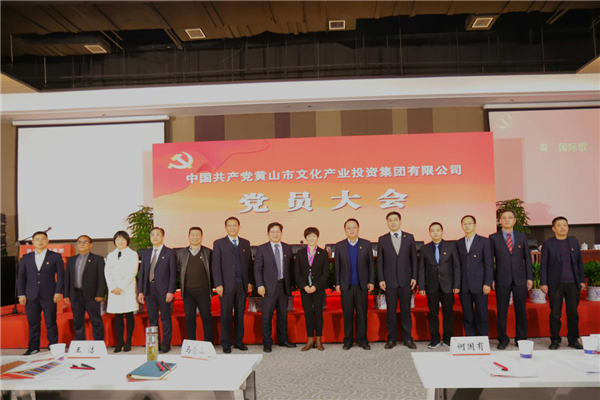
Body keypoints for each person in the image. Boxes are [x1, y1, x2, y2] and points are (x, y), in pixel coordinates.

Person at [489, 209, 533, 350]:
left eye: (510, 217)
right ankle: (503, 339)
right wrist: (491, 279)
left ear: (514, 220)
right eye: (504, 218)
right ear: (500, 220)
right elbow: (490, 261)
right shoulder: (493, 238)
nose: (507, 220)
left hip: (520, 278)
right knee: (502, 311)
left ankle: (521, 338)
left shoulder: (521, 236)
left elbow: (527, 258)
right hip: (502, 278)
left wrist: (529, 277)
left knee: (521, 310)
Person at [541, 216, 586, 350]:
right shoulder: (548, 244)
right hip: (555, 284)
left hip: (572, 283)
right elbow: (544, 265)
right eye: (559, 225)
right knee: (555, 314)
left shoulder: (573, 242)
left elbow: (579, 262)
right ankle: (555, 340)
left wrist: (582, 280)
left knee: (573, 314)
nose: (562, 228)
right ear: (553, 228)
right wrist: (544, 283)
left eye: (565, 225)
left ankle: (573, 339)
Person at [17, 231, 64, 355]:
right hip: (30, 295)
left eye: (43, 239)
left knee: (50, 322)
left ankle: (53, 346)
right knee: (33, 323)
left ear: (47, 241)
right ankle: (33, 347)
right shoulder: (26, 258)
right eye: (37, 239)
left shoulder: (55, 256)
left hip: (49, 294)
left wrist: (58, 291)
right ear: (33, 242)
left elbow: (61, 276)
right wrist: (21, 294)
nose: (40, 241)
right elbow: (21, 277)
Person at [377, 211, 418, 349]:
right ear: (387, 223)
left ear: (400, 221)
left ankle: (407, 338)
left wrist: (414, 276)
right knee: (391, 312)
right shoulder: (383, 239)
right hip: (389, 281)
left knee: (406, 310)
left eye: (395, 220)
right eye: (390, 220)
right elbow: (380, 262)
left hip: (406, 280)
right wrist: (381, 279)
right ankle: (392, 338)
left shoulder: (409, 237)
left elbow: (414, 259)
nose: (393, 222)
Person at [212, 217, 254, 354]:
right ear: (225, 228)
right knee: (226, 315)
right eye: (229, 226)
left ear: (239, 227)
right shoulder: (219, 243)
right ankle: (226, 343)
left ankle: (238, 341)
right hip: (226, 286)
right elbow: (215, 266)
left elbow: (249, 264)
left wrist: (249, 281)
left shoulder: (245, 243)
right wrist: (218, 284)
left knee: (240, 315)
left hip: (241, 284)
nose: (232, 228)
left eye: (234, 225)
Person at [254, 222, 296, 352]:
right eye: (273, 232)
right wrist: (260, 285)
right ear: (268, 234)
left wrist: (292, 285)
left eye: (278, 232)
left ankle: (283, 340)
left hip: (283, 287)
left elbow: (291, 268)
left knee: (283, 315)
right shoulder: (262, 249)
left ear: (281, 233)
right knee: (267, 317)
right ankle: (267, 342)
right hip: (267, 288)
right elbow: (257, 269)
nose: (275, 234)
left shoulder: (287, 248)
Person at [418, 222, 461, 348]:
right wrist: (421, 286)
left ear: (442, 232)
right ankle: (435, 339)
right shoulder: (425, 248)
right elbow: (421, 269)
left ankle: (448, 339)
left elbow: (456, 266)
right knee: (433, 314)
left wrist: (457, 285)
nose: (435, 233)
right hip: (432, 286)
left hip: (448, 286)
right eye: (432, 230)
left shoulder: (451, 246)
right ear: (429, 233)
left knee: (448, 313)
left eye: (438, 230)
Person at [334, 219, 375, 350]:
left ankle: (362, 340)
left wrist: (371, 281)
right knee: (348, 314)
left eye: (354, 227)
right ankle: (348, 340)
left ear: (358, 229)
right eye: (349, 228)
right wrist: (337, 283)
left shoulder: (366, 244)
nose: (351, 230)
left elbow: (371, 264)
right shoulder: (339, 245)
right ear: (345, 230)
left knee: (362, 314)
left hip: (362, 285)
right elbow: (337, 266)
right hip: (346, 286)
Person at [137, 227, 177, 353]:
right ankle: (155, 344)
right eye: (152, 235)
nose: (155, 237)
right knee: (152, 319)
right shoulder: (146, 253)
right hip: (149, 290)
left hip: (164, 291)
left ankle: (166, 344)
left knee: (165, 318)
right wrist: (140, 291)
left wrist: (170, 291)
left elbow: (173, 274)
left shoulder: (169, 252)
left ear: (163, 237)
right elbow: (142, 273)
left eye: (157, 235)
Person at [456, 215, 494, 337]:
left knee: (481, 313)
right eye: (464, 224)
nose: (467, 226)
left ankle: (482, 338)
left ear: (475, 225)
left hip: (480, 284)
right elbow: (457, 266)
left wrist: (487, 283)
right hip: (464, 285)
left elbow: (488, 264)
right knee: (467, 314)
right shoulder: (459, 243)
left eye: (469, 223)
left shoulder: (484, 242)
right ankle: (470, 338)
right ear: (461, 226)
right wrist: (457, 284)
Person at [64, 235, 106, 341]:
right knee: (77, 322)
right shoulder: (71, 260)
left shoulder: (98, 259)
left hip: (92, 296)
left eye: (85, 242)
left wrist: (100, 293)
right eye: (79, 242)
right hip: (75, 295)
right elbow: (67, 278)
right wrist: (66, 294)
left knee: (96, 321)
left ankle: (98, 343)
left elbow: (101, 278)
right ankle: (80, 344)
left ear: (91, 245)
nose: (82, 244)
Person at [176, 226, 213, 343]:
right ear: (188, 236)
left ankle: (208, 343)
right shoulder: (181, 253)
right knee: (190, 318)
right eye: (193, 235)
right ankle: (191, 343)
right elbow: (178, 270)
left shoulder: (208, 252)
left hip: (203, 290)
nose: (195, 237)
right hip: (188, 291)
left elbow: (213, 271)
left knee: (206, 317)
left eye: (198, 235)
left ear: (202, 237)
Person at [295, 227, 330, 351]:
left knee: (318, 313)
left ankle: (319, 339)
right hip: (305, 289)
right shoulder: (300, 253)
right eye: (309, 236)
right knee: (308, 314)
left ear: (317, 237)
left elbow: (326, 273)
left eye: (314, 236)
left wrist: (316, 286)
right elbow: (297, 272)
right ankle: (310, 339)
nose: (311, 238)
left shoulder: (323, 253)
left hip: (318, 288)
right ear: (305, 238)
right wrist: (304, 286)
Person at [105, 231, 139, 352]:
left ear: (127, 240)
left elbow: (133, 271)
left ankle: (128, 341)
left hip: (127, 288)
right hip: (114, 290)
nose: (120, 242)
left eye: (122, 239)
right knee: (118, 316)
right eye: (117, 239)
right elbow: (107, 272)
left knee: (129, 315)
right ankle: (120, 342)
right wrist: (112, 287)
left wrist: (121, 286)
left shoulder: (133, 254)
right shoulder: (111, 255)